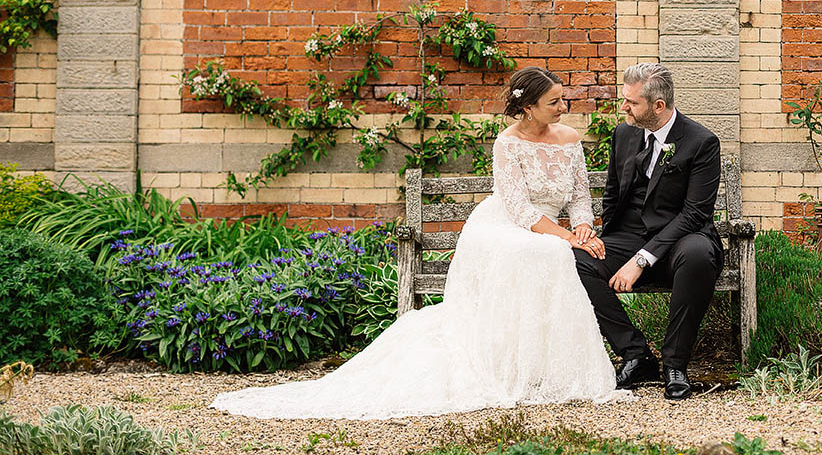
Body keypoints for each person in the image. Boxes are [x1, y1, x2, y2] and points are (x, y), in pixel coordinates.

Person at [211, 67, 626, 419]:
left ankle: (543, 365)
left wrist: (585, 228)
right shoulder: (507, 143)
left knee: (552, 250)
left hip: (550, 225)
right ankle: (513, 365)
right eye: (554, 102)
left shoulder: (570, 139)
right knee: (543, 250)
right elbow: (517, 208)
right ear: (527, 107)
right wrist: (567, 237)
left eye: (562, 100)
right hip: (505, 226)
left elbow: (578, 196)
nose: (563, 108)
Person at [574, 63, 723, 400]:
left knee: (698, 255)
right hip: (628, 235)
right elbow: (613, 193)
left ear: (658, 106)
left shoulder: (701, 142)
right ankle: (635, 354)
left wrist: (640, 260)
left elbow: (694, 213)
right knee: (576, 260)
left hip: (682, 239)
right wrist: (604, 238)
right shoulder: (624, 134)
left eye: (631, 102)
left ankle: (674, 364)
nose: (623, 107)